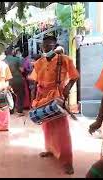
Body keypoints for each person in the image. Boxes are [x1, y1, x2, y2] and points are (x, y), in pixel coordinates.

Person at [29, 35, 79, 175]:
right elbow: (35, 83)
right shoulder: (39, 62)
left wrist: (68, 86)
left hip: (56, 96)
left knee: (62, 129)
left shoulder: (65, 60)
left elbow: (74, 76)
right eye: (45, 46)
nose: (47, 48)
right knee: (47, 125)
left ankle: (67, 161)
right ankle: (50, 150)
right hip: (42, 96)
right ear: (42, 47)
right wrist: (33, 101)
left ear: (55, 45)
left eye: (50, 46)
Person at [4, 47, 25, 116]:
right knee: (20, 95)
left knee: (10, 95)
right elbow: (22, 70)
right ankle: (19, 111)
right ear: (12, 52)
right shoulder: (17, 59)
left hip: (8, 81)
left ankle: (11, 110)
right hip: (17, 79)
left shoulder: (3, 61)